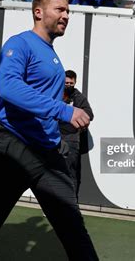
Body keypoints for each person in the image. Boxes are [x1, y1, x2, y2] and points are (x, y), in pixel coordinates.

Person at [0, 0, 98, 260]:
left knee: (72, 224)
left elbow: (42, 100)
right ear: (38, 12)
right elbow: (9, 87)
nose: (66, 15)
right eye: (60, 9)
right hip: (15, 146)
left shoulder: (54, 58)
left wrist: (58, 139)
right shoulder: (19, 43)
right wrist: (64, 110)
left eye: (68, 10)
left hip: (48, 153)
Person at [60, 70, 94, 199]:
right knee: (53, 173)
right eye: (66, 82)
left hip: (71, 139)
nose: (68, 85)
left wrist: (73, 114)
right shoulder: (55, 93)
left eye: (71, 83)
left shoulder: (78, 97)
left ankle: (71, 204)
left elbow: (89, 114)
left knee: (71, 173)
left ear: (75, 82)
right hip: (54, 138)